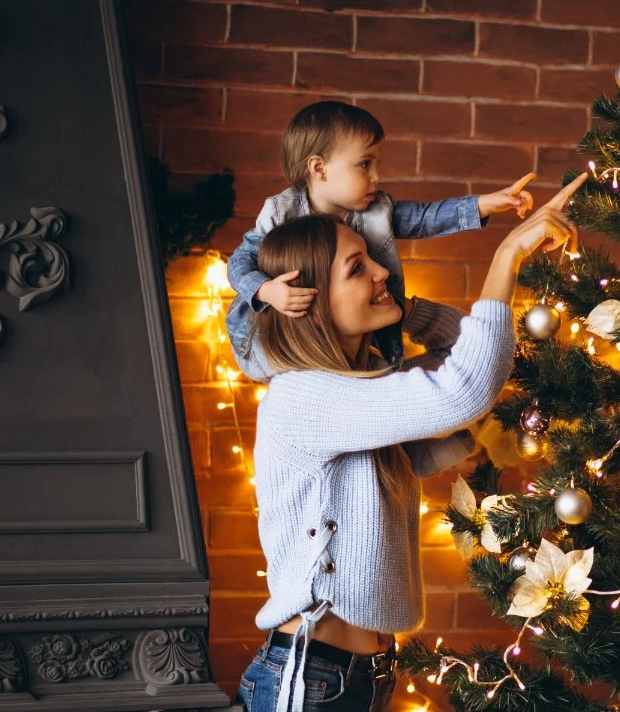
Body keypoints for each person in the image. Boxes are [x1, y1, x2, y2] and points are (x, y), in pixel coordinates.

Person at [235, 174, 587, 712]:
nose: (382, 269)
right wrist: (507, 254)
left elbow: (461, 351)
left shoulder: (364, 381)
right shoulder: (303, 396)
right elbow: (463, 390)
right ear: (306, 300)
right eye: (358, 269)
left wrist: (404, 307)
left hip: (358, 675)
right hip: (310, 678)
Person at [225, 100, 535, 382]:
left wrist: (484, 204)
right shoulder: (281, 211)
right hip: (277, 340)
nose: (376, 176)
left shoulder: (376, 209)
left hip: (351, 344)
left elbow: (426, 218)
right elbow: (240, 261)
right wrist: (266, 290)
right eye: (364, 164)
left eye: (377, 164)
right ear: (319, 168)